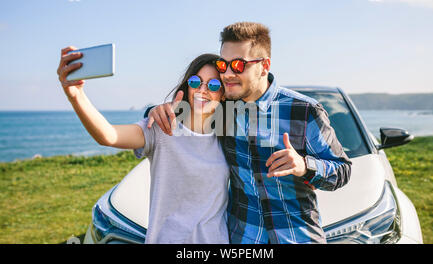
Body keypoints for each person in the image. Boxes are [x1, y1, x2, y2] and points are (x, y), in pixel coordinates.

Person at [147, 22, 352, 244]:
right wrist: (156, 111)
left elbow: (343, 170)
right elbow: (189, 115)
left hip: (297, 238)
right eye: (222, 65)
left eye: (238, 65)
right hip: (243, 240)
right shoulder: (223, 111)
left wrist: (305, 166)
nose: (227, 73)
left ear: (264, 66)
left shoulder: (303, 110)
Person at [57, 49, 230, 244]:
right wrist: (76, 96)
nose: (202, 90)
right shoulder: (161, 129)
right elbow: (108, 135)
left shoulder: (229, 139)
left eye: (214, 85)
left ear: (223, 94)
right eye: (195, 82)